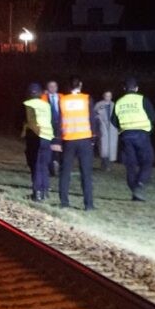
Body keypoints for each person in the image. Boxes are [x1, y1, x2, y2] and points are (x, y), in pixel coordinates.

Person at [112, 77, 155, 201]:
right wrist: (149, 128)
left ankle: (135, 191)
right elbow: (152, 116)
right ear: (136, 88)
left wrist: (124, 128)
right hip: (142, 134)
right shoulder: (142, 99)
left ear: (124, 89)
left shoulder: (119, 102)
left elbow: (114, 121)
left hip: (126, 135)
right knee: (148, 161)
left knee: (130, 165)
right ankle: (140, 185)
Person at [59, 75, 95, 210]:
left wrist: (58, 139)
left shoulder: (63, 100)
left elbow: (59, 120)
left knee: (65, 172)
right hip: (84, 138)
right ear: (80, 85)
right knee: (86, 173)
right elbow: (92, 120)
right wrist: (94, 138)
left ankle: (64, 202)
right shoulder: (86, 99)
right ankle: (89, 204)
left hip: (68, 139)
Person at [20, 82, 53, 201]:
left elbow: (28, 121)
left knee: (35, 165)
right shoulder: (46, 105)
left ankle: (36, 193)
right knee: (44, 165)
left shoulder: (27, 104)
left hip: (35, 136)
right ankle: (44, 192)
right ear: (40, 93)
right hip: (47, 136)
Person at [93, 91, 119, 170]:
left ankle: (109, 165)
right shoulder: (98, 104)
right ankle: (104, 164)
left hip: (112, 129)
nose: (108, 97)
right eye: (106, 96)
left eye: (109, 96)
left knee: (112, 147)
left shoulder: (114, 105)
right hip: (102, 127)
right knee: (103, 146)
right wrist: (98, 118)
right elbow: (94, 115)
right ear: (103, 96)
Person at [43, 78, 63, 177]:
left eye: (54, 86)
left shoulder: (62, 97)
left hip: (60, 125)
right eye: (50, 86)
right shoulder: (43, 97)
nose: (53, 88)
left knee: (59, 147)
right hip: (48, 125)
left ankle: (57, 164)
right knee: (49, 147)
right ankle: (51, 166)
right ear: (47, 88)